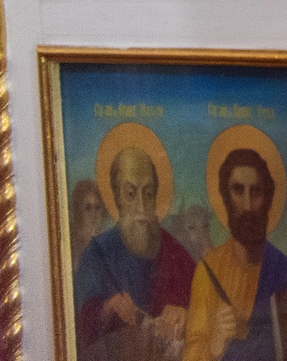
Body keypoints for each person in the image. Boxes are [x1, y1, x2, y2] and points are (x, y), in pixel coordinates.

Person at [181, 146, 287, 361]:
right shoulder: (209, 270)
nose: (247, 205)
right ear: (226, 198)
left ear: (268, 200)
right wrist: (214, 344)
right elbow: (191, 353)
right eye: (238, 190)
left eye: (256, 192)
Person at [73, 143, 196, 360]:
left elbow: (206, 318)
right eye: (130, 193)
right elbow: (78, 325)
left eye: (148, 193)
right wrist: (108, 309)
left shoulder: (177, 254)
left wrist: (187, 316)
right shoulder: (96, 254)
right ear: (117, 196)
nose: (141, 205)